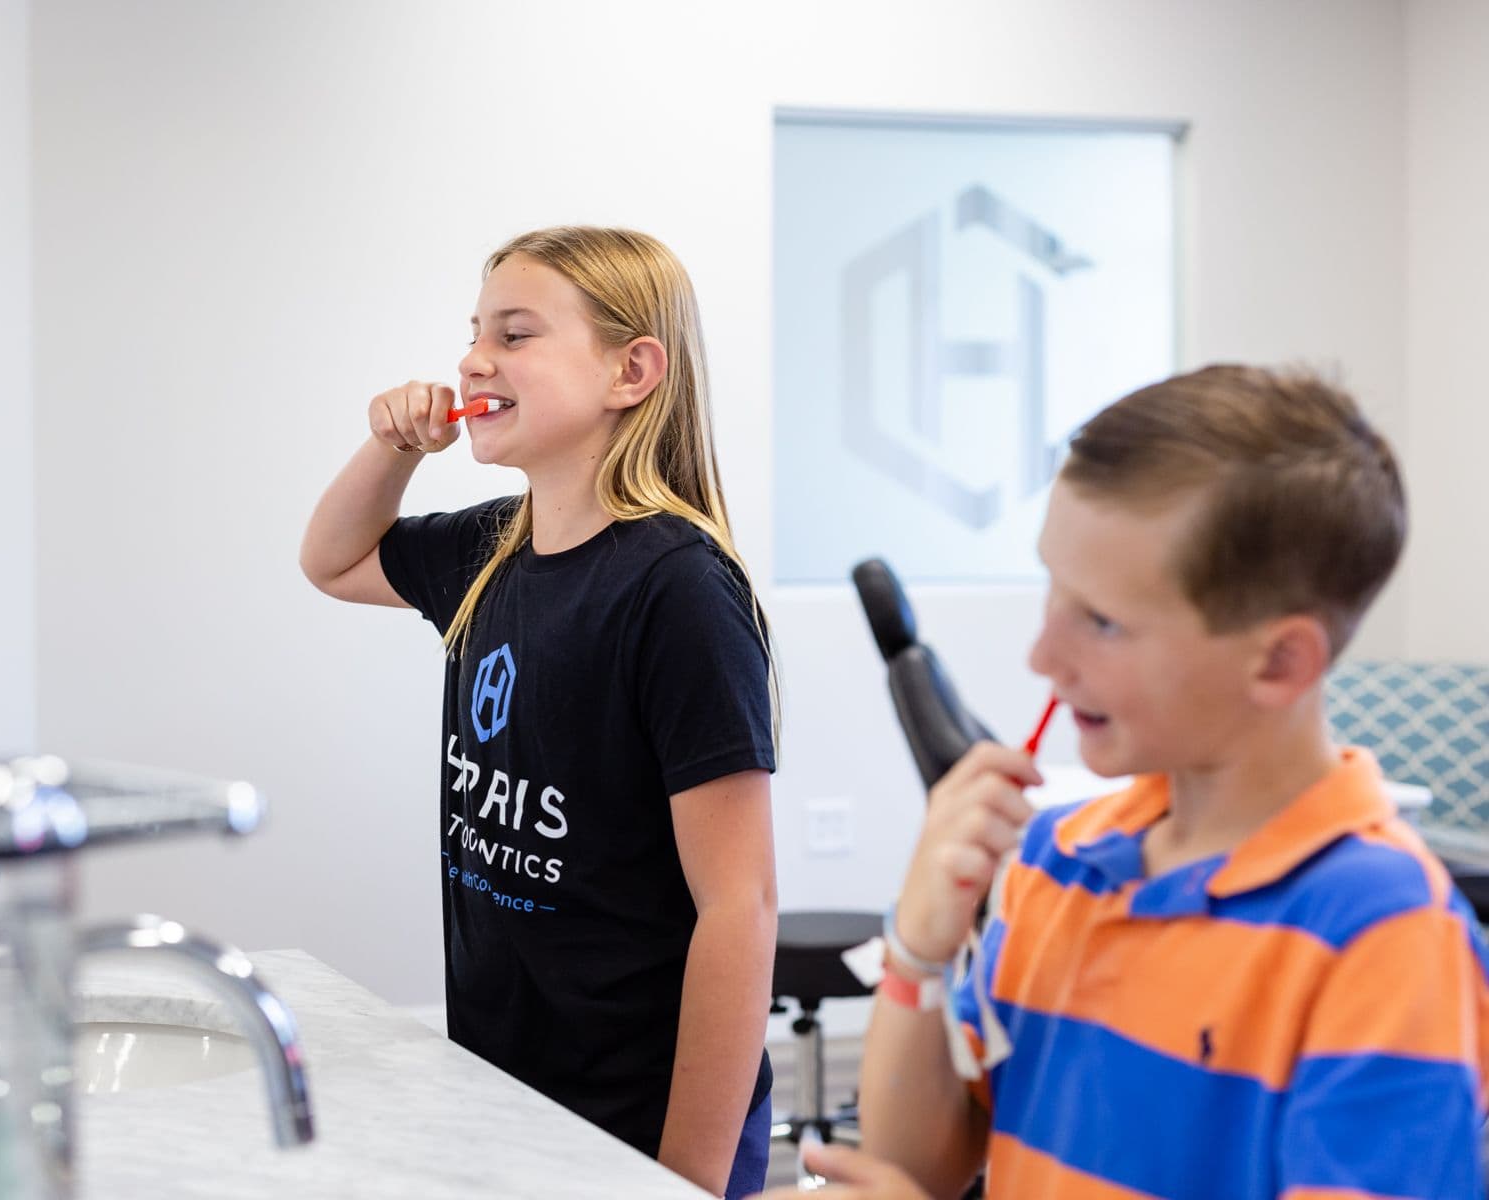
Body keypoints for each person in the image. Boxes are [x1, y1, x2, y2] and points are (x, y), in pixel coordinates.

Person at [758, 365, 1488, 1200]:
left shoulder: (1387, 939)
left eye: (1102, 621)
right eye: (1053, 593)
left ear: (1281, 662)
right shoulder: (1059, 857)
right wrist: (919, 951)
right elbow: (919, 1164)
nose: (1042, 658)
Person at [300, 226, 778, 1197]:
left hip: (639, 1121)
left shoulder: (677, 589)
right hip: (503, 1089)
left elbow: (741, 908)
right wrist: (394, 446)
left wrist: (684, 1175)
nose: (474, 358)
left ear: (631, 370)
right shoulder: (490, 551)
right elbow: (333, 562)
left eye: (515, 335)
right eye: (475, 332)